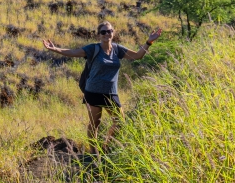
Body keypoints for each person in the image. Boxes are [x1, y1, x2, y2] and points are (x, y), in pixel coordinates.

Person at [42, 22, 162, 151]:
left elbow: (138, 56)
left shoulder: (117, 49)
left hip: (111, 92)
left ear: (113, 33)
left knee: (120, 121)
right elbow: (73, 52)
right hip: (93, 91)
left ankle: (106, 147)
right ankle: (94, 153)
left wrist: (148, 42)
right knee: (95, 123)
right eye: (103, 32)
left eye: (109, 31)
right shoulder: (93, 49)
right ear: (98, 35)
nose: (107, 34)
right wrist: (55, 49)